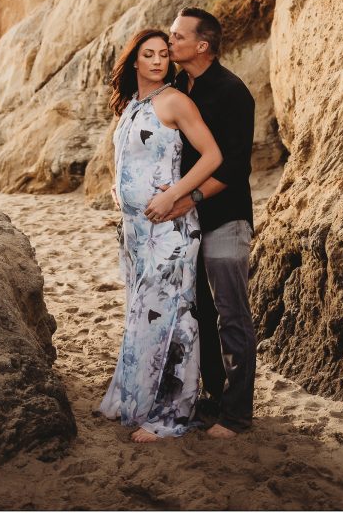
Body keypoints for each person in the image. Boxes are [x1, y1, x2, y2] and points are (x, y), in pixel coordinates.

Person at [99, 28, 222, 442]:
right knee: (140, 313)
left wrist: (174, 194)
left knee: (170, 315)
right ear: (134, 60)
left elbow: (213, 155)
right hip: (134, 231)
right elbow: (127, 160)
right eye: (148, 54)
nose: (157, 61)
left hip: (169, 229)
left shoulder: (174, 100)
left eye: (164, 54)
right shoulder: (132, 104)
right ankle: (135, 399)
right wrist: (116, 188)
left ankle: (169, 413)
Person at [156, 7, 256, 439]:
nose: (170, 41)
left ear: (202, 45)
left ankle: (236, 415)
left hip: (225, 217)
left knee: (231, 315)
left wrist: (190, 196)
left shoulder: (233, 92)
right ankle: (213, 396)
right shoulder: (177, 86)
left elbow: (235, 165)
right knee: (199, 311)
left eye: (178, 36)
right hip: (185, 223)